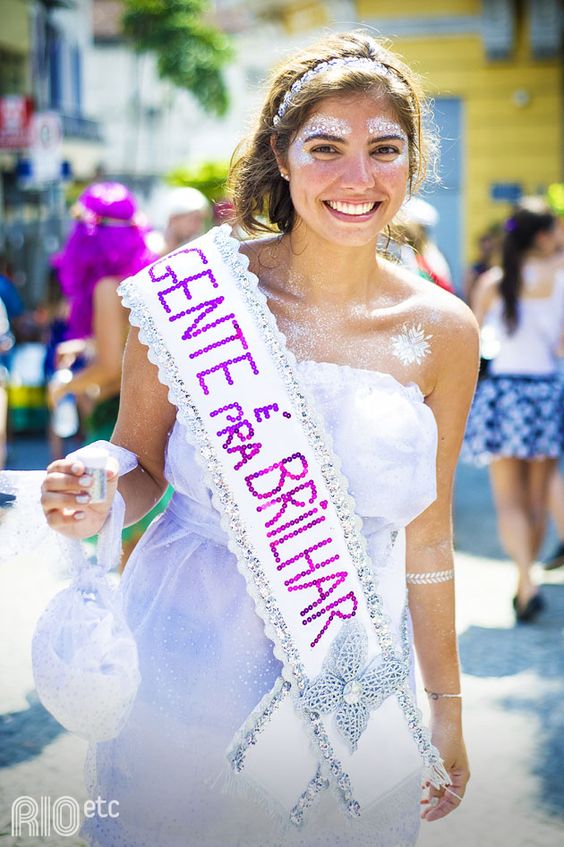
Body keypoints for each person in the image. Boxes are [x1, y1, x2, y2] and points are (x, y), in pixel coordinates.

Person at [39, 31, 476, 846]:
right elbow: (136, 465)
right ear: (281, 154)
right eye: (326, 148)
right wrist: (95, 484)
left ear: (413, 163)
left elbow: (430, 532)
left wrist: (446, 707)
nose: (358, 178)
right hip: (187, 650)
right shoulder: (191, 300)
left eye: (385, 149)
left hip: (348, 668)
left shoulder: (443, 331)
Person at [463, 205, 564, 622]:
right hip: (544, 392)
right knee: (537, 499)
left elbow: (469, 342)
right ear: (541, 237)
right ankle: (530, 578)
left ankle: (525, 582)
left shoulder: (493, 282)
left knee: (508, 501)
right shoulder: (559, 279)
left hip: (503, 395)